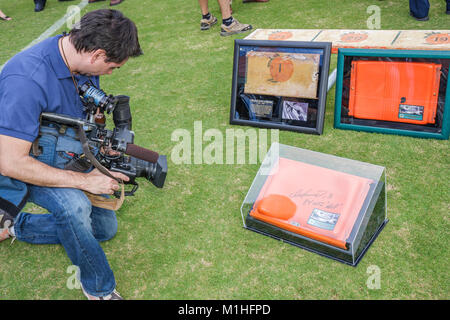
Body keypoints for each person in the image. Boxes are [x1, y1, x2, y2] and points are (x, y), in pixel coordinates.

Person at [0, 9, 142, 300]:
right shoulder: (26, 80)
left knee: (104, 227)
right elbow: (10, 161)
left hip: (53, 148)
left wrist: (102, 154)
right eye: (113, 67)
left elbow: (79, 121)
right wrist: (85, 181)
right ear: (97, 55)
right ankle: (99, 289)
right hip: (18, 160)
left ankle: (17, 226)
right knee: (75, 209)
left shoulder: (76, 59)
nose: (111, 73)